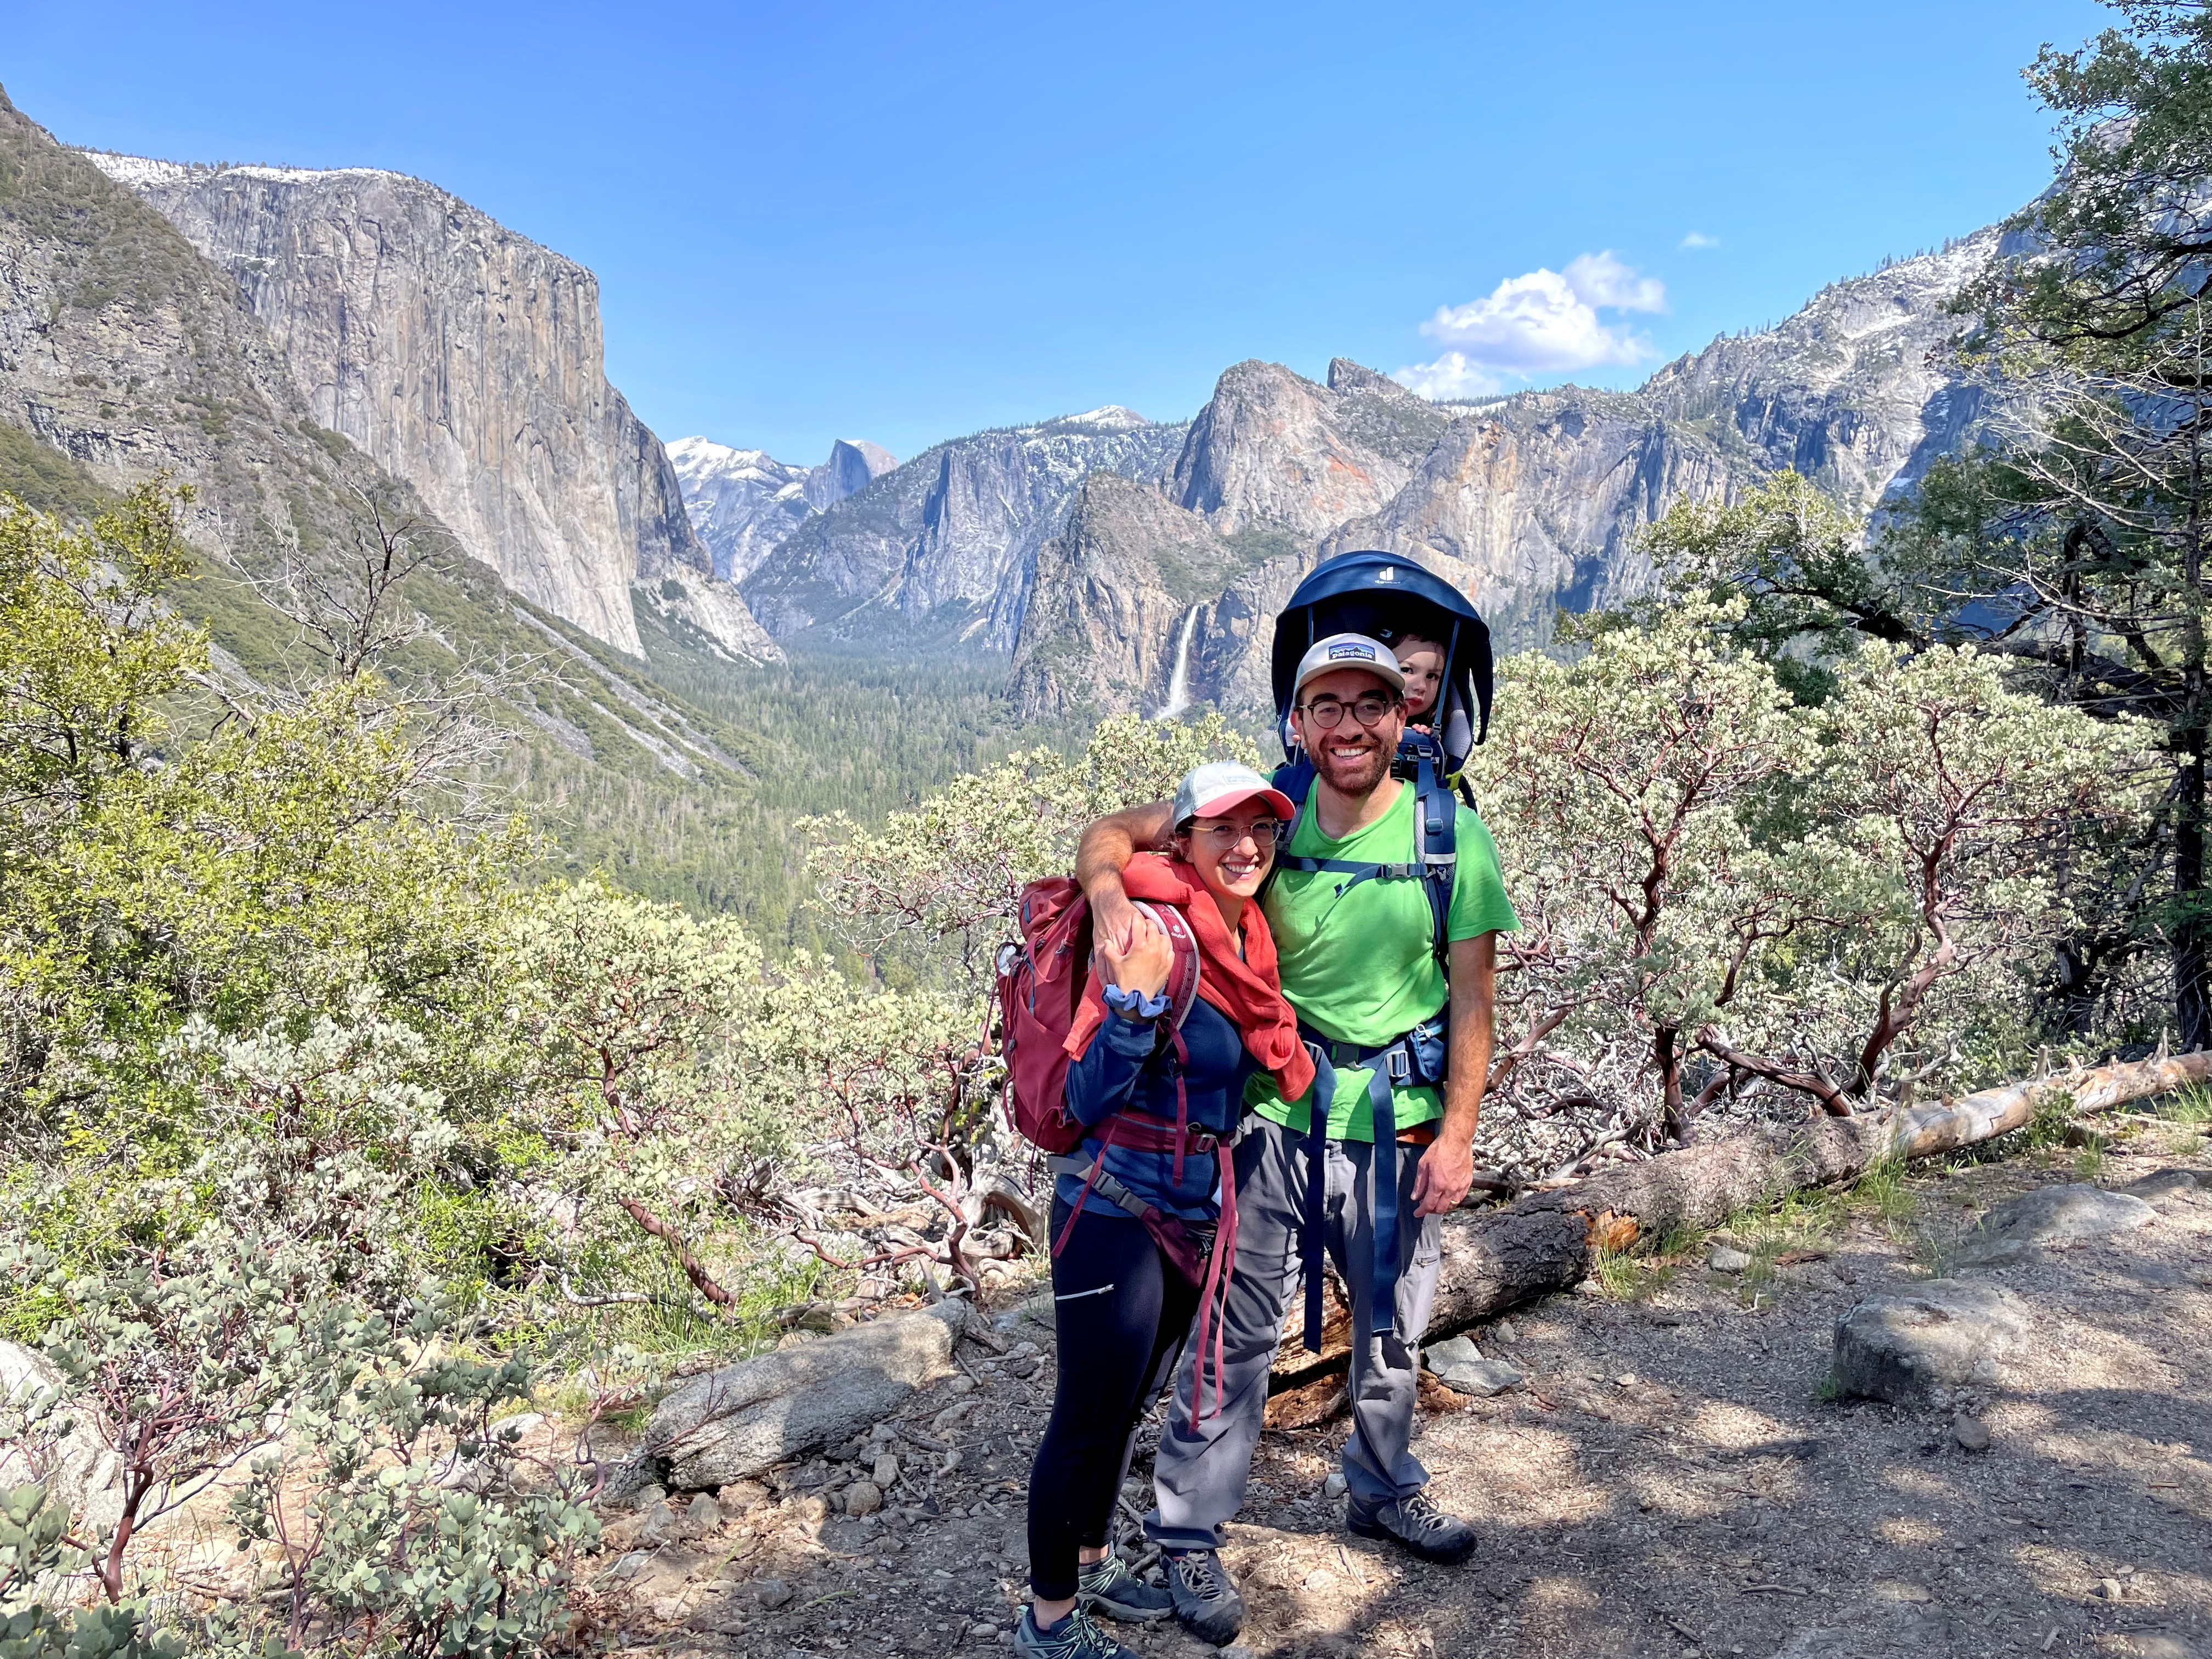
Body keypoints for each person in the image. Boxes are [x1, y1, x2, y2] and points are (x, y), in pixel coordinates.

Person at [1075, 634, 1517, 1647]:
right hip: (1270, 1119)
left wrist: (1457, 1135)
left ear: (1404, 715)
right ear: (1298, 719)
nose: (1350, 722)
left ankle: (1382, 1485)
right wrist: (1107, 895)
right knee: (1231, 1334)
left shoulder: (1451, 833)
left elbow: (1472, 1002)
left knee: (1394, 1326)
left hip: (1396, 1130)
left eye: (1371, 702)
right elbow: (1108, 830)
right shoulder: (1264, 812)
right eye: (1328, 703)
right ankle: (1186, 1530)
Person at [1019, 762, 1315, 1659]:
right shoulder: (1158, 935)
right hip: (1112, 1209)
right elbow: (1088, 1087)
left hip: (1186, 1213)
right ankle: (1047, 1619)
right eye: (1222, 828)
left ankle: (1093, 1559)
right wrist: (1136, 1006)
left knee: (1124, 1404)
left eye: (1260, 828)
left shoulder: (1244, 941)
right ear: (1180, 840)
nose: (1245, 845)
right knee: (1083, 1414)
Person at [1381, 628, 1446, 730]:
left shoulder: (1438, 730)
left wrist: (1424, 739)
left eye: (1431, 676)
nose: (1421, 687)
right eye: (1406, 670)